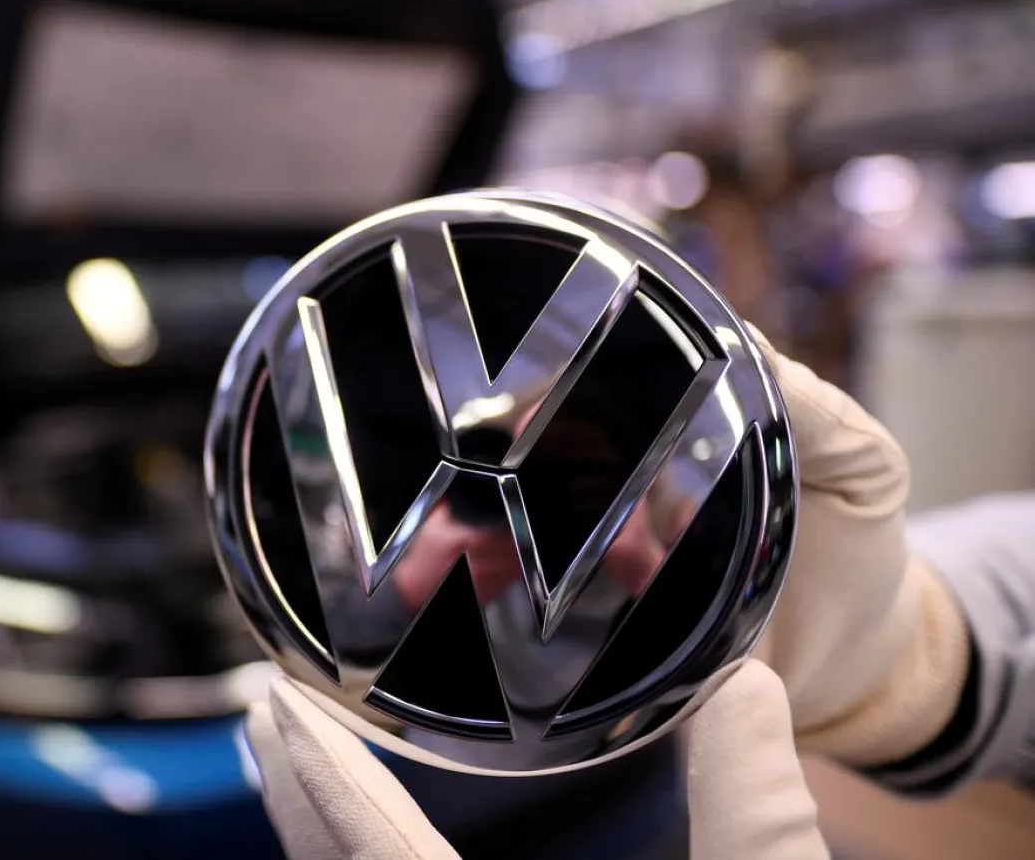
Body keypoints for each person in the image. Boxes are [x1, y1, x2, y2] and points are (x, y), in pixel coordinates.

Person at [245, 332, 1035, 859]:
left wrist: (906, 656)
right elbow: (357, 654)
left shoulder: (671, 574)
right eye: (514, 470)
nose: (540, 504)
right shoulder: (445, 543)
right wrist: (411, 589)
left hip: (633, 806)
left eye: (586, 482)